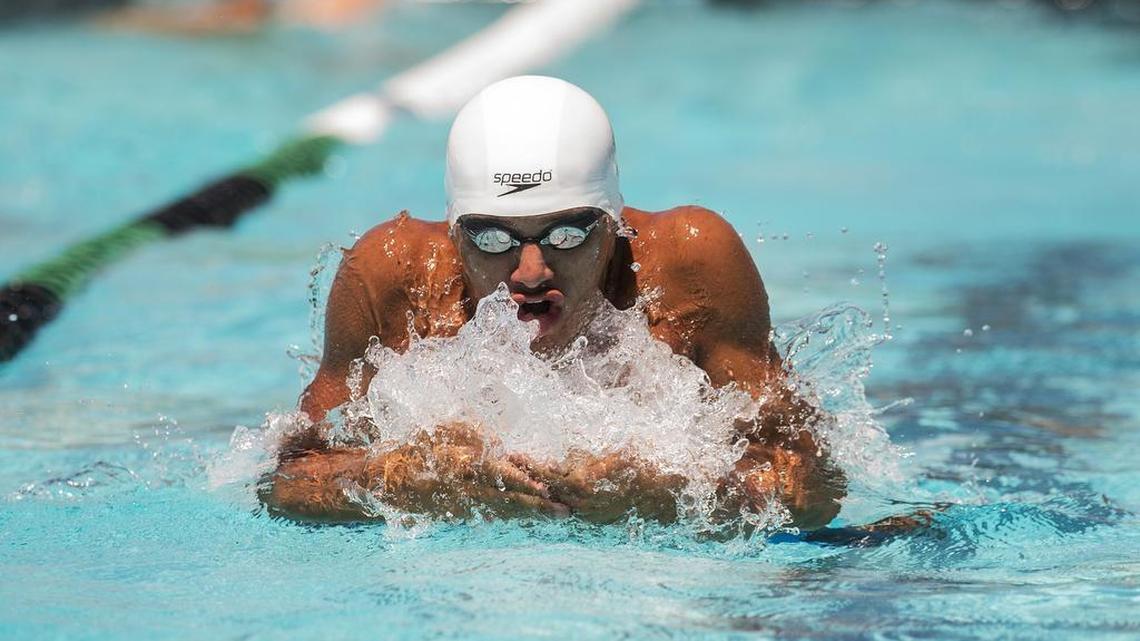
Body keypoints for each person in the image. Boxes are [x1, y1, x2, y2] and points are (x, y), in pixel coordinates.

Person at [261, 75, 846, 529]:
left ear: (614, 223)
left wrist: (680, 494)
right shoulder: (392, 277)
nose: (532, 271)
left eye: (568, 234)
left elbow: (814, 488)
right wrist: (406, 481)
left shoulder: (691, 265)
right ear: (454, 230)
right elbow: (287, 485)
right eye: (493, 237)